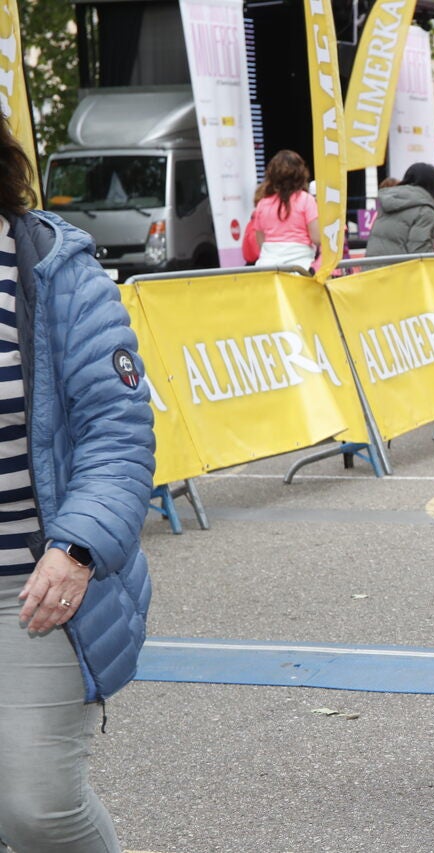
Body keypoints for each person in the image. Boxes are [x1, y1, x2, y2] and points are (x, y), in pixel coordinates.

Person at [0, 115, 154, 852]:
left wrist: (76, 548)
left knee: (37, 806)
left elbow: (117, 434)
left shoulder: (56, 270)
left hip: (30, 587)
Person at [253, 149, 320, 269]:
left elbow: (260, 241)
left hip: (267, 266)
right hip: (300, 266)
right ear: (300, 174)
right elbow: (316, 237)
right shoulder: (306, 200)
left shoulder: (262, 204)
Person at [365, 162, 434, 257]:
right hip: (401, 266)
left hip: (373, 264)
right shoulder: (425, 211)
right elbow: (420, 254)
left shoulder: (388, 202)